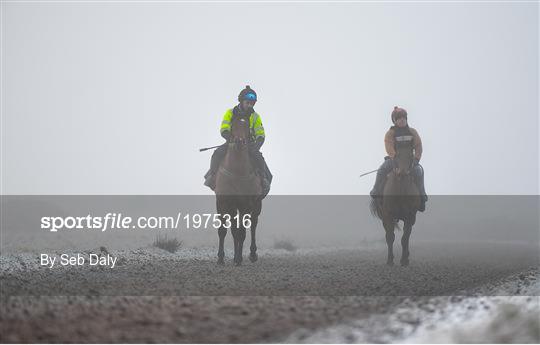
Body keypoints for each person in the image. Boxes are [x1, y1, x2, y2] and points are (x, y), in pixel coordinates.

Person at [204, 85, 272, 196]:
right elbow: (224, 127)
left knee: (260, 159)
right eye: (248, 102)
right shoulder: (230, 112)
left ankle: (264, 179)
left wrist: (257, 144)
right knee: (217, 154)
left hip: (249, 145)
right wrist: (229, 136)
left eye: (252, 103)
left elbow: (260, 133)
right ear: (241, 101)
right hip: (232, 142)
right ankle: (212, 177)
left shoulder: (255, 117)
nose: (250, 105)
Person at [370, 106, 428, 211]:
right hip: (394, 160)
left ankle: (422, 195)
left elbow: (418, 146)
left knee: (419, 171)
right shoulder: (390, 133)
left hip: (409, 160)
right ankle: (376, 190)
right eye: (399, 118)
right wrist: (393, 157)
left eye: (403, 118)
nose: (402, 120)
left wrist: (416, 159)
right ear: (395, 121)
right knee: (382, 169)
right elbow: (388, 146)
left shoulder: (412, 132)